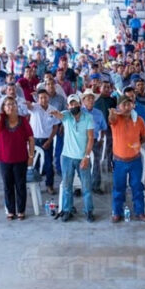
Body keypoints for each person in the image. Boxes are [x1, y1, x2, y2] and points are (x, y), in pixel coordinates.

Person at [51, 94, 95, 222]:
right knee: (67, 186)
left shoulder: (88, 117)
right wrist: (54, 113)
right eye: (71, 104)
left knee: (86, 187)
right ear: (68, 106)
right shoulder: (66, 116)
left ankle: (88, 211)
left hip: (82, 157)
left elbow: (91, 138)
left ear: (80, 104)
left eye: (76, 103)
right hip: (67, 157)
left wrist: (86, 157)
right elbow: (59, 115)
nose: (74, 106)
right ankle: (67, 210)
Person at [0, 97, 34, 220]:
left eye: (13, 104)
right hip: (4, 159)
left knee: (20, 185)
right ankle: (10, 210)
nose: (10, 107)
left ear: (16, 106)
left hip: (21, 158)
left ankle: (21, 210)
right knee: (7, 185)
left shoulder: (23, 120)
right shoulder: (1, 119)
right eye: (7, 105)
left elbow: (31, 138)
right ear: (3, 108)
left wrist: (31, 155)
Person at [108, 96, 145, 222]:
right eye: (123, 105)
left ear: (133, 106)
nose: (126, 107)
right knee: (118, 188)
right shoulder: (115, 119)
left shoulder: (139, 120)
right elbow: (111, 119)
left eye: (128, 104)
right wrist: (112, 113)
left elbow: (144, 136)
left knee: (137, 187)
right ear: (119, 106)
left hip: (135, 160)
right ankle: (117, 212)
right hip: (119, 161)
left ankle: (140, 212)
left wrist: (137, 144)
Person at [27, 90, 60, 193]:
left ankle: (49, 185)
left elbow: (55, 127)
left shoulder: (53, 110)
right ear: (38, 99)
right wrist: (28, 103)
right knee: (34, 163)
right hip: (35, 140)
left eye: (45, 97)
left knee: (49, 164)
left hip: (47, 140)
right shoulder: (34, 107)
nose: (43, 100)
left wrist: (50, 141)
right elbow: (29, 106)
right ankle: (35, 185)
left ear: (48, 97)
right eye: (41, 98)